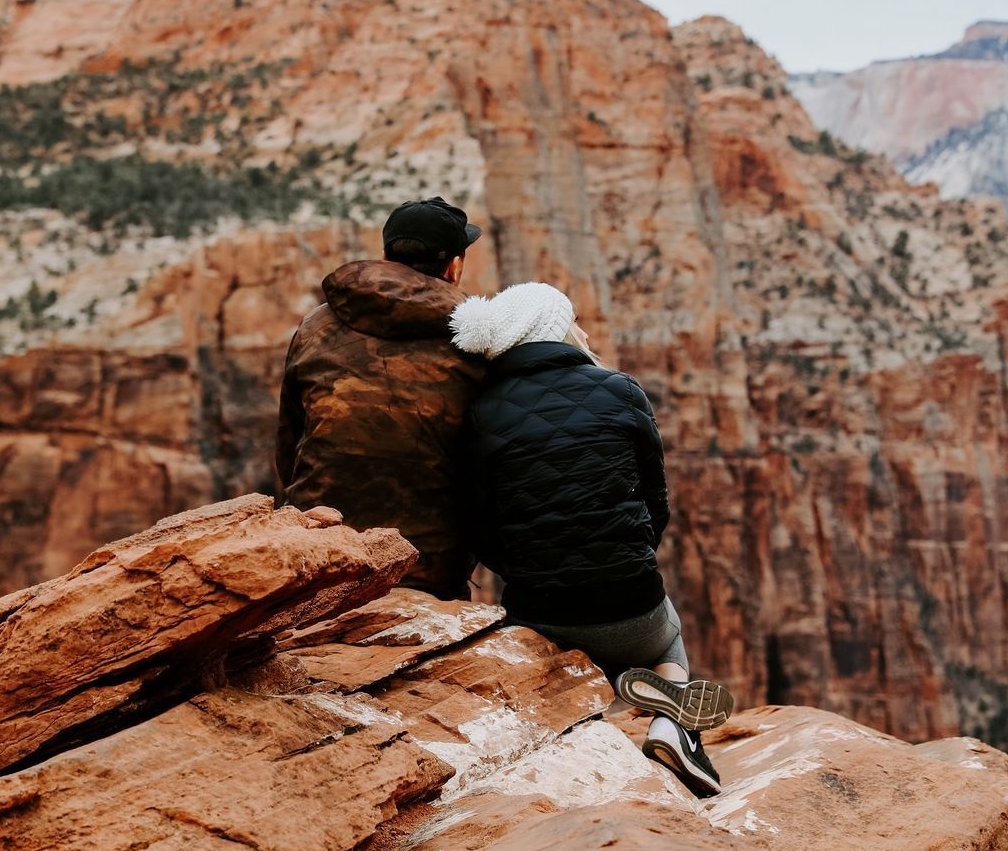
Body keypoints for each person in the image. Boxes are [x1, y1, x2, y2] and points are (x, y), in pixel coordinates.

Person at [449, 281, 732, 796]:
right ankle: (674, 727)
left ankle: (581, 743)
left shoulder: (480, 412)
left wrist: (529, 570)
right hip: (630, 598)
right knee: (668, 638)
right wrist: (630, 554)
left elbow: (477, 523)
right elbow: (656, 500)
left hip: (541, 610)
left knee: (563, 645)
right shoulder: (619, 388)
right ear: (556, 328)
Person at [276, 197, 486, 598]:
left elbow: (290, 443)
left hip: (319, 554)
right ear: (454, 266)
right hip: (429, 569)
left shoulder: (316, 325)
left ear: (387, 255)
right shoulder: (476, 336)